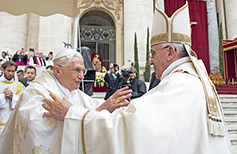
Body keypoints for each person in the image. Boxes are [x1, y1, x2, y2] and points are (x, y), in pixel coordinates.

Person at [40, 2, 232, 154]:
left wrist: (73, 114)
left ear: (170, 52)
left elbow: (132, 130)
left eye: (153, 54)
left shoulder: (180, 84)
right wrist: (102, 109)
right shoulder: (188, 80)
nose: (150, 62)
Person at [0, 49, 131, 154]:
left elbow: (93, 107)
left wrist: (105, 107)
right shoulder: (37, 91)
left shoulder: (73, 91)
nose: (82, 76)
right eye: (77, 70)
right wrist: (85, 116)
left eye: (83, 70)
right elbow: (35, 131)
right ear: (57, 71)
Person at [0, 61, 25, 135]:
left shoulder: (19, 85)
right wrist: (3, 97)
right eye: (8, 71)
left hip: (12, 120)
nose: (10, 73)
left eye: (12, 71)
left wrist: (13, 97)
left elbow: (24, 101)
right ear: (3, 70)